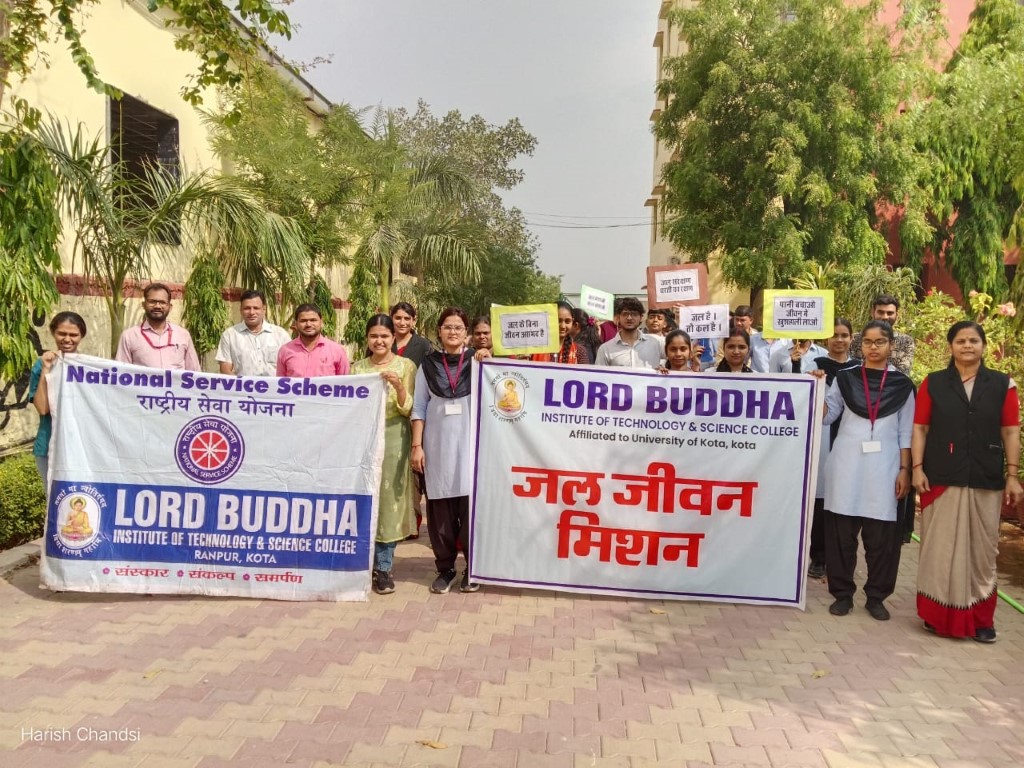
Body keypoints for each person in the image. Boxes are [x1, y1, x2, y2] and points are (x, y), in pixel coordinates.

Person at [912, 321, 1022, 643]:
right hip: (941, 477)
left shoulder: (1003, 385)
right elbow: (920, 428)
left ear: (984, 346)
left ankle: (981, 619)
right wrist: (917, 468)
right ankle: (937, 615)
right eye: (960, 340)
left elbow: (1010, 431)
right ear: (951, 346)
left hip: (985, 478)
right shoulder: (933, 383)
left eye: (974, 340)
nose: (967, 346)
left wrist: (1012, 476)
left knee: (983, 552)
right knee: (939, 549)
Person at [823, 320, 915, 621]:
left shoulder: (902, 385)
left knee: (881, 539)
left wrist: (905, 469)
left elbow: (906, 432)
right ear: (860, 345)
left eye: (880, 342)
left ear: (891, 345)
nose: (873, 347)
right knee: (841, 536)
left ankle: (876, 597)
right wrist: (813, 388)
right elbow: (828, 416)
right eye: (867, 342)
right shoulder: (846, 378)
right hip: (846, 466)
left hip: (885, 469)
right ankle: (842, 594)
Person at [411, 307, 478, 594]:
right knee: (440, 515)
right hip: (437, 449)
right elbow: (419, 407)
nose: (453, 331)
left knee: (471, 512)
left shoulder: (478, 363)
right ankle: (446, 568)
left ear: (466, 332)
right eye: (447, 327)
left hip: (470, 450)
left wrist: (489, 358)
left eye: (458, 327)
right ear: (439, 331)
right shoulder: (427, 365)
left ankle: (473, 569)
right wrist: (417, 446)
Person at [351, 315, 416, 596]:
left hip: (394, 437)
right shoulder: (357, 369)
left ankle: (384, 567)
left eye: (384, 336)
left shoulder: (406, 366)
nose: (379, 341)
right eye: (374, 336)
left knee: (389, 500)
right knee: (364, 496)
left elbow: (409, 408)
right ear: (367, 338)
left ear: (393, 338)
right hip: (363, 438)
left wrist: (398, 386)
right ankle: (363, 564)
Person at [806, 319, 855, 579]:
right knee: (821, 499)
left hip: (850, 438)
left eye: (844, 335)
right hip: (823, 437)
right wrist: (810, 381)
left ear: (851, 338)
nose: (839, 340)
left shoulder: (859, 369)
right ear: (826, 339)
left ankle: (842, 558)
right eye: (834, 335)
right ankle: (819, 557)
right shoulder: (815, 366)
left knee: (846, 499)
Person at [30, 312, 88, 485]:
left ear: (82, 336)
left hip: (82, 447)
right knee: (53, 496)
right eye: (62, 333)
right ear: (53, 333)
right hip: (48, 446)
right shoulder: (41, 365)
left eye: (73, 335)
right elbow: (43, 409)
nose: (67, 339)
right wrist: (46, 370)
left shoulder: (89, 367)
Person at [115, 283, 200, 370]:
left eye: (162, 302)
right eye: (152, 302)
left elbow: (195, 373)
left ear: (170, 307)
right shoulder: (129, 336)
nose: (157, 306)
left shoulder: (183, 335)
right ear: (143, 305)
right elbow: (121, 372)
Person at [215, 290, 291, 376]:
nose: (251, 312)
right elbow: (225, 370)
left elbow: (291, 366)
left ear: (264, 309)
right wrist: (242, 384)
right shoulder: (229, 335)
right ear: (241, 310)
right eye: (247, 308)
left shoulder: (280, 334)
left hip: (275, 385)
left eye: (256, 308)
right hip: (242, 385)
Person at [275, 304, 349, 376]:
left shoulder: (337, 350)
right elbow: (280, 382)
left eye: (313, 320)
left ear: (321, 322)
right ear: (296, 324)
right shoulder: (285, 351)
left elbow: (345, 382)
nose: (308, 324)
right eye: (303, 321)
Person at [851, 295, 914, 375]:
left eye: (890, 313)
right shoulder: (856, 339)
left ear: (896, 315)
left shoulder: (906, 341)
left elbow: (903, 373)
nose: (885, 317)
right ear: (872, 313)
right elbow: (850, 368)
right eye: (881, 312)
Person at [594, 297, 663, 369]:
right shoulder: (605, 349)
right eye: (625, 314)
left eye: (634, 314)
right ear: (618, 317)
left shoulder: (656, 342)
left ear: (641, 317)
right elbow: (600, 374)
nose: (629, 318)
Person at [391, 302, 433, 367]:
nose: (402, 323)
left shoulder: (424, 346)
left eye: (407, 319)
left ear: (414, 321)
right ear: (391, 319)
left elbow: (431, 370)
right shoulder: (384, 343)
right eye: (398, 318)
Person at [733, 305, 771, 373]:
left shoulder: (786, 341)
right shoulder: (728, 337)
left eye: (742, 320)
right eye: (737, 319)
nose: (738, 323)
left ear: (751, 320)